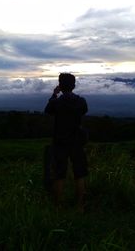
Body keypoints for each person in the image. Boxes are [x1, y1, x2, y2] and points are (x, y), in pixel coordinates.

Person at [44, 73, 88, 212]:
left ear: (60, 86)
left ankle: (58, 206)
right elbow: (84, 111)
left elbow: (48, 110)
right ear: (74, 86)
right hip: (77, 141)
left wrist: (54, 94)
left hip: (60, 142)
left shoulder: (56, 102)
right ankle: (80, 206)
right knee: (79, 173)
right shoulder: (81, 101)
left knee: (59, 174)